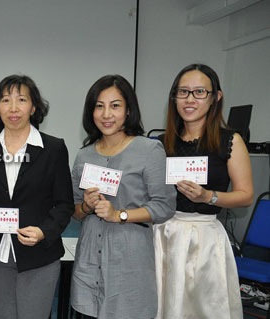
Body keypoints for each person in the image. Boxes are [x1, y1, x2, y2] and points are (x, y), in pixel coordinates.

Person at [70, 75, 176, 319]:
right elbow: (74, 211)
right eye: (99, 106)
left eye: (115, 105)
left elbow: (165, 206)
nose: (107, 114)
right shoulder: (84, 155)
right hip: (88, 260)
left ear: (128, 110)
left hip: (129, 260)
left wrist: (119, 214)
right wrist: (86, 206)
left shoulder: (149, 150)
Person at [154, 64, 253, 319]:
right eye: (183, 92)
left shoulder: (230, 140)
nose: (189, 99)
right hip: (162, 235)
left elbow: (246, 195)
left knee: (203, 309)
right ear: (174, 97)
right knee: (161, 306)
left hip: (204, 240)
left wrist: (208, 196)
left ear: (215, 97)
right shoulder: (161, 143)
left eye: (199, 92)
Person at [0, 75, 74, 319]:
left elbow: (64, 204)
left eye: (22, 100)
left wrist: (43, 231)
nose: (13, 108)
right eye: (6, 100)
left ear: (34, 107)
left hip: (38, 256)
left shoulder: (53, 149)